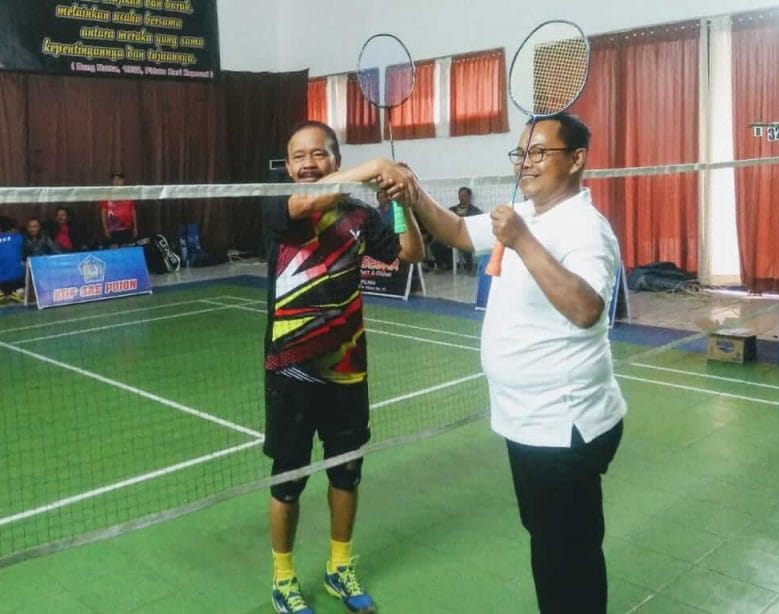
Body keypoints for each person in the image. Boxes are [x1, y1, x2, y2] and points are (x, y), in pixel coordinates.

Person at [404, 112, 625, 613]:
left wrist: (522, 241)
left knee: (566, 554)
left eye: (539, 152)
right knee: (549, 540)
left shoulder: (585, 229)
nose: (526, 162)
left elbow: (586, 309)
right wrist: (414, 193)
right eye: (521, 153)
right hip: (528, 421)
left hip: (563, 425)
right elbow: (457, 230)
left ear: (577, 160)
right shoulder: (529, 212)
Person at [263, 120, 424, 614]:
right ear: (289, 166)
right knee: (288, 479)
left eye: (319, 154)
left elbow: (410, 253)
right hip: (290, 368)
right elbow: (307, 204)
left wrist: (400, 202)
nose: (308, 163)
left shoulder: (359, 214)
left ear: (335, 159)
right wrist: (375, 167)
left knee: (346, 472)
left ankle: (339, 567)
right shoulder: (277, 202)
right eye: (298, 156)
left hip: (348, 367)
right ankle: (283, 578)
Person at [99, 172, 137, 248]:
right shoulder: (106, 194)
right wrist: (105, 229)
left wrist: (135, 227)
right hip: (113, 228)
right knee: (114, 248)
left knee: (126, 247)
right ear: (112, 181)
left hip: (127, 227)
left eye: (119, 179)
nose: (116, 181)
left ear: (123, 181)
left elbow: (133, 210)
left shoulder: (129, 194)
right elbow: (103, 213)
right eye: (114, 179)